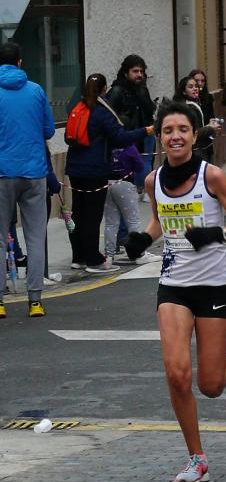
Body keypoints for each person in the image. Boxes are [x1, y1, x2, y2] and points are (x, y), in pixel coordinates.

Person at [123, 100, 226, 482]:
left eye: (182, 129)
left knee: (209, 386)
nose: (175, 136)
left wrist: (216, 233)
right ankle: (196, 458)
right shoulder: (152, 180)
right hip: (174, 286)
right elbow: (161, 220)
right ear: (160, 138)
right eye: (167, 131)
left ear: (194, 135)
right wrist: (141, 239)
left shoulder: (212, 177)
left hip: (214, 287)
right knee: (176, 373)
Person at [66, 74, 152, 273]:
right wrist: (144, 131)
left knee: (79, 212)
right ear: (104, 89)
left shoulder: (78, 107)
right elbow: (119, 137)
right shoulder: (101, 110)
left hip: (74, 168)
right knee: (92, 215)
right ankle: (94, 259)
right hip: (94, 169)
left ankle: (78, 256)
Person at [0, 41, 55, 318]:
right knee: (35, 237)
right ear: (20, 62)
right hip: (34, 172)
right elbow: (48, 129)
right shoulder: (36, 90)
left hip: (1, 172)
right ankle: (35, 301)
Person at [106, 55, 156, 201]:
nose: (139, 74)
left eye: (141, 71)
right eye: (135, 71)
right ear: (125, 72)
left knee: (146, 161)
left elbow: (149, 109)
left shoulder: (141, 88)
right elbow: (109, 113)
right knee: (131, 164)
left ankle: (146, 191)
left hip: (146, 131)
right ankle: (134, 189)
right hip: (129, 134)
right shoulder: (117, 90)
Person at [104, 143, 161, 266]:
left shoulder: (106, 144)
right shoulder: (128, 146)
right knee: (133, 220)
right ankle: (138, 253)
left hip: (107, 183)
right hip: (125, 183)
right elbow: (140, 165)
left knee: (111, 222)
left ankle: (109, 256)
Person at [173, 75, 220, 159]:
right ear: (184, 92)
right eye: (191, 87)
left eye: (196, 86)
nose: (195, 89)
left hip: (199, 149)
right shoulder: (188, 107)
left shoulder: (193, 104)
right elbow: (193, 133)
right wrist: (211, 128)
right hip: (195, 151)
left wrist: (209, 125)